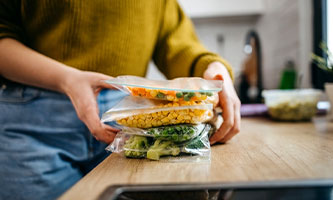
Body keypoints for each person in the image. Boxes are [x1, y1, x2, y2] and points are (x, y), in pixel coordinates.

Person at [0, 1, 241, 199]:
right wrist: (66, 79)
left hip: (132, 126)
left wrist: (212, 69)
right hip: (32, 128)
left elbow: (176, 44)